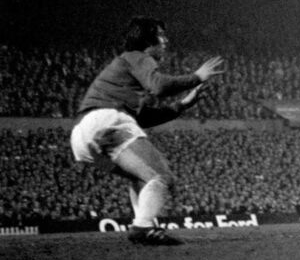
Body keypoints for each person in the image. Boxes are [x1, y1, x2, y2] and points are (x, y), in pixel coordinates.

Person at [69, 16, 225, 245]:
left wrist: (182, 105)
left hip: (83, 137)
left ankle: (146, 227)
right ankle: (142, 228)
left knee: (141, 177)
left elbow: (143, 118)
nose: (166, 40)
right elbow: (159, 86)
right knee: (161, 177)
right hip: (106, 122)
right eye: (161, 35)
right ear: (147, 39)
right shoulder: (138, 56)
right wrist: (196, 77)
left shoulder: (124, 74)